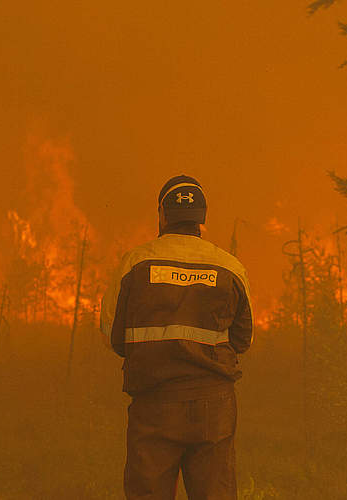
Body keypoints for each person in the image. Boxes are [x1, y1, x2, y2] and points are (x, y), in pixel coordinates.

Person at [100, 175, 254, 500]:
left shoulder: (135, 264)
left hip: (154, 406)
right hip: (215, 408)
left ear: (162, 214)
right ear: (202, 218)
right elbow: (242, 339)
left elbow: (113, 338)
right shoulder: (231, 269)